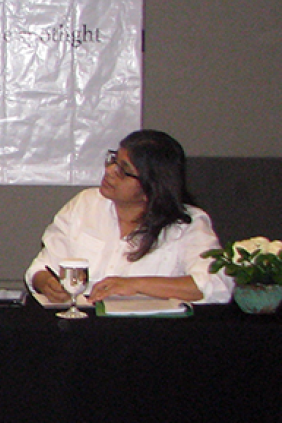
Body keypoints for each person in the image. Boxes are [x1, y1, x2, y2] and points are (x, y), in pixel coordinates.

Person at [26, 129, 232, 304]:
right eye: (113, 160)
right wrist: (46, 283)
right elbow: (41, 267)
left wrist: (135, 285)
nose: (110, 171)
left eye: (124, 171)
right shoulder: (85, 204)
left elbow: (216, 285)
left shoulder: (188, 224)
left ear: (151, 187)